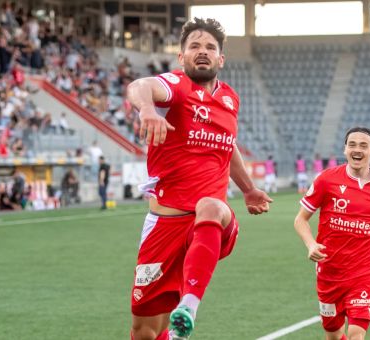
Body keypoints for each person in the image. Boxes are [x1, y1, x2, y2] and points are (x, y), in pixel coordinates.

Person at [126, 17, 272, 340]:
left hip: (210, 224)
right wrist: (147, 110)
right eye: (194, 46)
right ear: (182, 57)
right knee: (145, 331)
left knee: (210, 205)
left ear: (221, 59)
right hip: (163, 228)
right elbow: (139, 86)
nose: (202, 51)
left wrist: (248, 189)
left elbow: (227, 144)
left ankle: (189, 307)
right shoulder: (176, 87)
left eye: (210, 47)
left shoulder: (230, 99)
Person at [294, 127, 370, 340]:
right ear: (344, 150)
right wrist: (311, 244)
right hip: (329, 271)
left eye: (363, 145)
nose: (357, 149)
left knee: (356, 335)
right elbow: (300, 219)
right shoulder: (326, 180)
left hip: (365, 270)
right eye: (352, 144)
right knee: (334, 336)